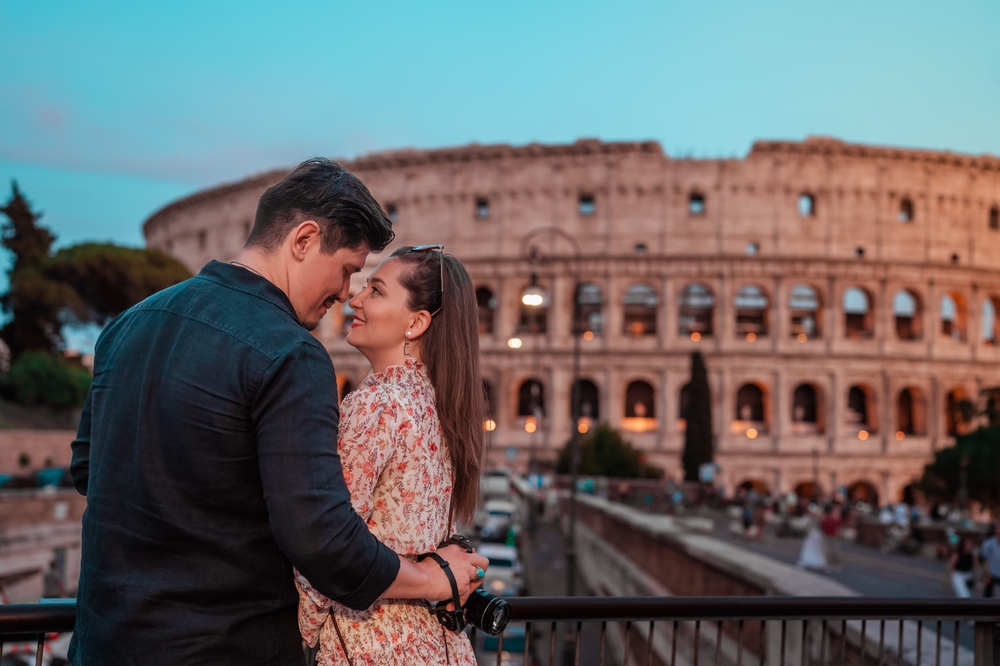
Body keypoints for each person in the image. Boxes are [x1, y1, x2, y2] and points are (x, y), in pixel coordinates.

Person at [69, 160, 487, 666]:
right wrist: (433, 579)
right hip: (225, 647)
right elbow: (321, 537)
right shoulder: (291, 353)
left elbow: (88, 469)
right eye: (347, 270)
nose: (344, 294)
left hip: (103, 640)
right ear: (304, 240)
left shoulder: (125, 326)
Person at [295, 245, 484, 665]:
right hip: (438, 646)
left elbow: (331, 542)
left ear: (416, 323)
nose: (354, 300)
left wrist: (304, 629)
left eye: (376, 291)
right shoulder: (443, 405)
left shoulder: (377, 404)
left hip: (368, 641)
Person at [982, 524, 1000, 597]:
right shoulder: (988, 543)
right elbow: (985, 559)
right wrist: (986, 574)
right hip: (991, 572)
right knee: (988, 594)